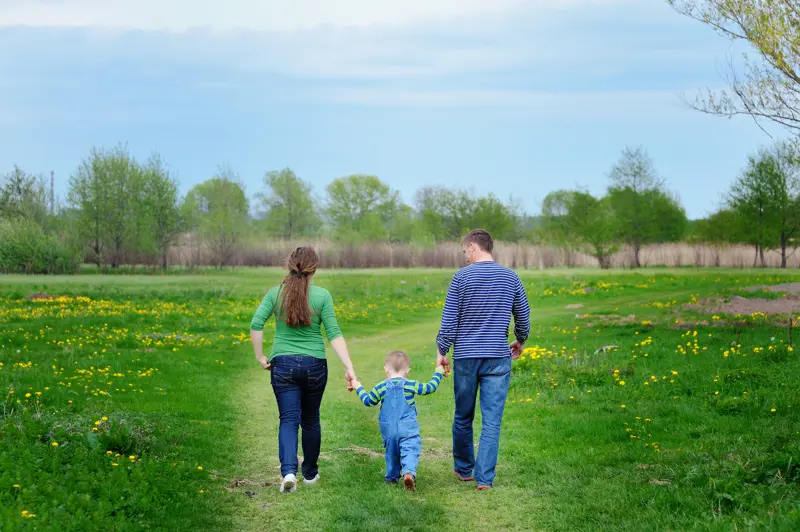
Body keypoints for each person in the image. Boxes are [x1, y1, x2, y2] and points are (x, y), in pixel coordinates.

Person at [250, 246, 358, 494]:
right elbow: (334, 334)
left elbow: (256, 323)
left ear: (289, 266)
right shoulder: (322, 296)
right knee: (310, 420)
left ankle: (289, 472)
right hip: (314, 365)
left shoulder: (275, 293)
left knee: (288, 420)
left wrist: (260, 356)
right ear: (314, 269)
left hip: (283, 364)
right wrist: (349, 367)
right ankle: (310, 474)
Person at [436, 229, 530, 490]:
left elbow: (449, 321)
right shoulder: (511, 277)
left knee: (463, 416)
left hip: (466, 357)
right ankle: (485, 479)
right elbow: (523, 314)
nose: (465, 256)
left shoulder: (461, 278)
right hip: (498, 358)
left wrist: (441, 351)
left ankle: (465, 469)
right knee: (492, 421)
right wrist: (520, 339)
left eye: (465, 251)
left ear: (474, 247)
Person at [351, 351, 445, 491]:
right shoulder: (410, 385)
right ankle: (408, 473)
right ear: (407, 371)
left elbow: (368, 401)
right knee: (410, 449)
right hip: (407, 428)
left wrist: (358, 387)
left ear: (385, 369)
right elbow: (429, 388)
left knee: (391, 452)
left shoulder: (381, 387)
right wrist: (438, 372)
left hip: (388, 428)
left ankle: (391, 477)